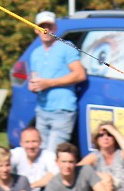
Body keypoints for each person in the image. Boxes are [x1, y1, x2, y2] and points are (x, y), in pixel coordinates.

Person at [28, 11, 86, 152]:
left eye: (50, 26)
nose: (46, 30)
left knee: (52, 154)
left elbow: (80, 75)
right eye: (42, 26)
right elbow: (34, 78)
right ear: (36, 29)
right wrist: (33, 86)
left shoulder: (66, 47)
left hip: (62, 110)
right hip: (42, 109)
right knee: (40, 153)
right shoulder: (35, 53)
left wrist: (49, 83)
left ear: (56, 28)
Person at [44, 142, 110, 191]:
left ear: (76, 162)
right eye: (63, 161)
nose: (67, 166)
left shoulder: (86, 170)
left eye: (71, 162)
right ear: (57, 162)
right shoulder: (53, 185)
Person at [79, 122, 124, 191]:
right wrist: (97, 175)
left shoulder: (121, 154)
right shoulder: (94, 156)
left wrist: (114, 132)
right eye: (101, 135)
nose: (105, 138)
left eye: (109, 134)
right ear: (96, 139)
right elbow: (78, 169)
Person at [10, 126, 57, 191]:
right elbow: (2, 167)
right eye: (27, 142)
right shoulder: (14, 154)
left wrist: (31, 185)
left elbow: (55, 173)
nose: (31, 146)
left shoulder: (48, 155)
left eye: (34, 141)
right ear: (21, 143)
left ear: (40, 142)